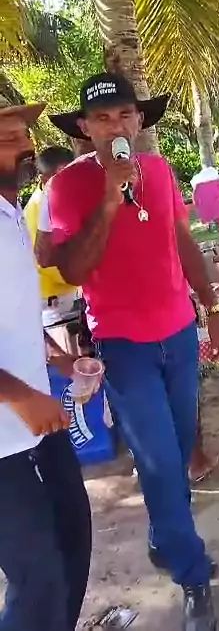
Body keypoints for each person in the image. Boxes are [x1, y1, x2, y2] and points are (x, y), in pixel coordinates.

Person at [48, 72, 219, 631]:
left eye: (124, 115)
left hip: (178, 334)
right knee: (160, 463)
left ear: (140, 121)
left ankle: (164, 536)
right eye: (101, 119)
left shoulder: (160, 169)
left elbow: (181, 240)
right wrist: (108, 198)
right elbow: (73, 269)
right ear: (84, 128)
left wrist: (212, 307)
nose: (115, 127)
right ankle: (193, 576)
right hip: (124, 346)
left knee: (176, 453)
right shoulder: (67, 186)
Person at [0, 94, 91, 630]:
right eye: (4, 137)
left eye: (22, 133)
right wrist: (20, 396)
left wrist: (54, 357)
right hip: (4, 441)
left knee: (74, 540)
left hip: (37, 425)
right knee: (37, 579)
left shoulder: (12, 212)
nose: (23, 144)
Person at [24, 146, 77, 329]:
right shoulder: (40, 208)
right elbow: (44, 261)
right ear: (44, 179)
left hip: (69, 293)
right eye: (60, 176)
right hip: (55, 304)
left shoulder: (60, 200)